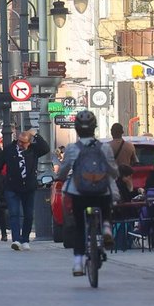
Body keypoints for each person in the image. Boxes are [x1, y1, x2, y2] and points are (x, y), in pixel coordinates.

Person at [55, 111, 119, 276]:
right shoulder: (104, 147)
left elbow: (63, 171)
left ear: (76, 129)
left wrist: (59, 177)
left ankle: (78, 264)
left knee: (79, 226)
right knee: (106, 205)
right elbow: (113, 171)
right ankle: (106, 228)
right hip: (100, 192)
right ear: (94, 128)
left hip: (79, 193)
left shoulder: (71, 149)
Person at [0, 129, 50, 251]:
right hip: (12, 187)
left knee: (28, 215)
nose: (20, 144)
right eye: (19, 141)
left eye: (24, 142)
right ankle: (16, 240)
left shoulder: (34, 150)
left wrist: (36, 134)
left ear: (29, 142)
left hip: (29, 187)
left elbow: (45, 148)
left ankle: (25, 239)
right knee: (14, 213)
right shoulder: (9, 150)